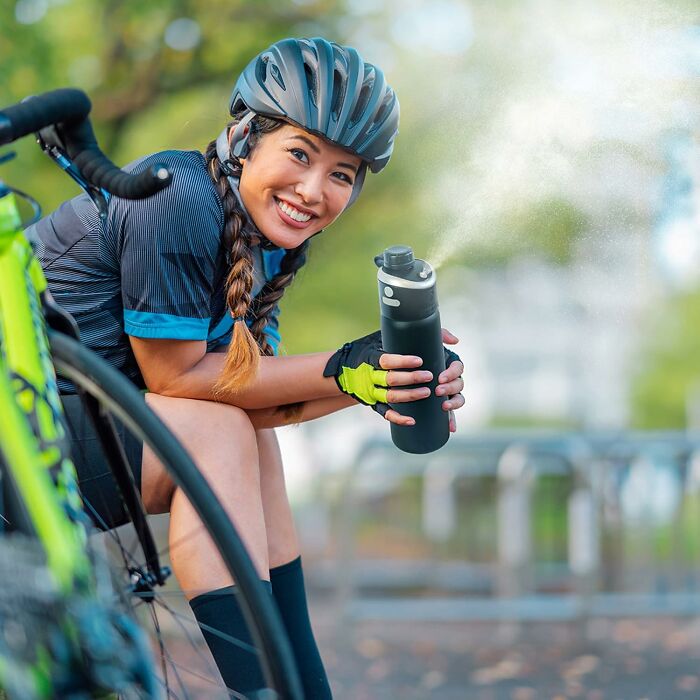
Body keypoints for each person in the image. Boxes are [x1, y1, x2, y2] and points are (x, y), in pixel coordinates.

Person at [30, 37, 465, 698]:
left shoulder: (265, 245)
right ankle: (263, 689)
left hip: (68, 444)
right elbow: (176, 381)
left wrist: (379, 378)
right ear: (243, 137)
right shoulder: (175, 200)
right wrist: (343, 367)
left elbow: (250, 395)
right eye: (299, 155)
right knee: (218, 433)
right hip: (25, 447)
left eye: (342, 175)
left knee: (249, 437)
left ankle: (300, 687)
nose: (314, 191)